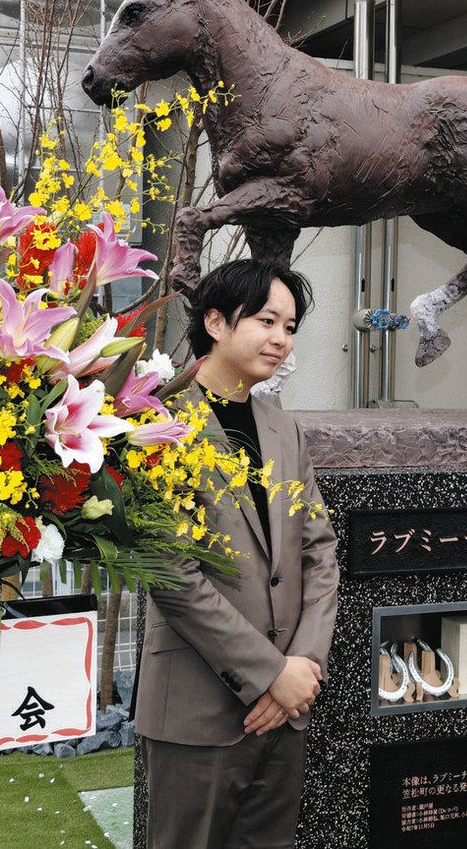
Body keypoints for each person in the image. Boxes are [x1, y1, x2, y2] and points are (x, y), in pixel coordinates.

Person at [134, 259, 340, 849]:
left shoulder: (282, 428)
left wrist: (301, 667)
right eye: (268, 320)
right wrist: (271, 676)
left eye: (291, 327)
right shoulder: (161, 422)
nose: (281, 339)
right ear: (217, 322)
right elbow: (173, 576)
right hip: (198, 711)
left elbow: (318, 553)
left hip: (290, 703)